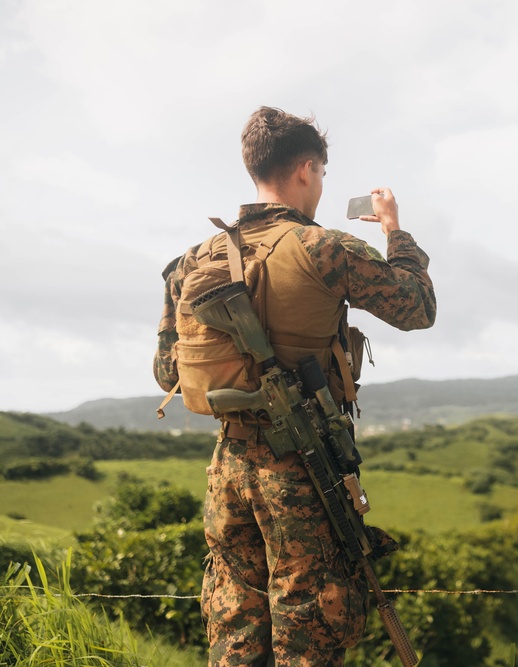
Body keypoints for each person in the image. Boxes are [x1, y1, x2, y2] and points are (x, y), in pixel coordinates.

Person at [154, 106, 436, 666]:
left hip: (229, 468)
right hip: (302, 466)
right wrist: (393, 229)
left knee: (235, 627)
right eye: (323, 176)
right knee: (309, 631)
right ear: (307, 169)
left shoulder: (194, 260)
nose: (322, 188)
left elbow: (168, 372)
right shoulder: (320, 247)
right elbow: (418, 307)